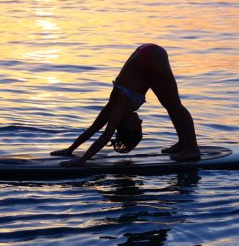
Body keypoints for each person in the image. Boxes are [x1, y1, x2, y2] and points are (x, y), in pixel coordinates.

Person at [51, 43, 201, 167]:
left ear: (126, 126)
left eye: (138, 125)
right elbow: (93, 129)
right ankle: (183, 143)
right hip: (146, 57)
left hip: (151, 57)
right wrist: (70, 150)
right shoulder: (114, 108)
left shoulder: (117, 108)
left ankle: (192, 148)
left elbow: (104, 135)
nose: (141, 121)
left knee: (175, 105)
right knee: (171, 106)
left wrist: (81, 159)